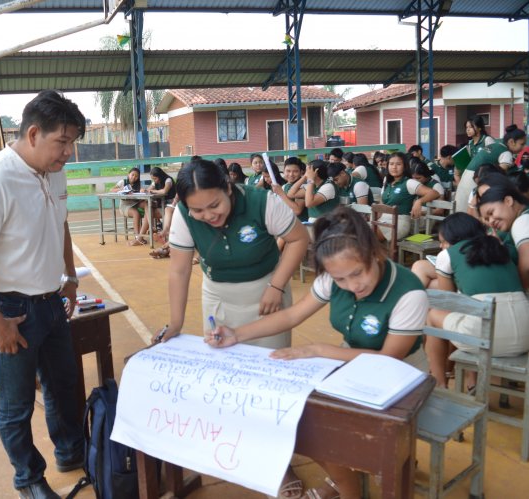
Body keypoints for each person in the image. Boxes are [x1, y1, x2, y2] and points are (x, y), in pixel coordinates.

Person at [206, 207, 429, 499]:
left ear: (374, 253)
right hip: (350, 368)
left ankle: (355, 475)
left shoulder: (408, 292)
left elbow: (388, 359)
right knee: (305, 421)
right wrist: (237, 334)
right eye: (341, 280)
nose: (352, 286)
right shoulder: (333, 277)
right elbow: (290, 316)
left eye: (357, 274)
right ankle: (346, 484)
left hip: (403, 378)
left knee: (334, 427)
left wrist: (319, 350)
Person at [0, 90, 86, 499]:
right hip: (10, 308)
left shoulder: (54, 170)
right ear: (32, 133)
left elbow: (60, 223)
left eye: (72, 143)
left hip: (50, 300)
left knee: (64, 387)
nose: (68, 153)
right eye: (62, 142)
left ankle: (72, 452)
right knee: (16, 403)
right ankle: (28, 478)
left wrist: (69, 277)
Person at [158, 158, 309, 498]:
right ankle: (238, 447)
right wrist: (177, 324)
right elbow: (179, 271)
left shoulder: (260, 201)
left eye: (214, 205)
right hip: (219, 298)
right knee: (229, 379)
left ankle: (279, 463)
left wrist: (278, 286)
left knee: (271, 381)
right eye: (198, 210)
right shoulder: (184, 216)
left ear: (228, 188)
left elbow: (300, 239)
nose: (209, 216)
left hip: (266, 297)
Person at [424, 213, 529, 388]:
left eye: (443, 241)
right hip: (525, 335)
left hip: (488, 339)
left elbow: (449, 302)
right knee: (468, 316)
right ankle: (471, 381)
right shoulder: (498, 247)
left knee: (435, 316)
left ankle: (439, 383)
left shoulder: (447, 255)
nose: (441, 246)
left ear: (454, 238)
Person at [477, 174, 529, 289]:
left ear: (508, 201)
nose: (491, 221)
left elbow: (526, 266)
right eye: (486, 219)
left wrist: (523, 297)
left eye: (491, 213)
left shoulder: (521, 221)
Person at [378, 152, 439, 241]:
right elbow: (381, 205)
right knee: (358, 230)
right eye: (391, 164)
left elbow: (434, 193)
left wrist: (419, 202)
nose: (394, 167)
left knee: (368, 235)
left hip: (399, 222)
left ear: (405, 166)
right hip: (383, 220)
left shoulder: (409, 182)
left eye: (398, 164)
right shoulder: (388, 182)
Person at [454, 117, 497, 211]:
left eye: (471, 127)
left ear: (480, 128)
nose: (468, 129)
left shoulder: (487, 140)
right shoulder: (470, 144)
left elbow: (494, 158)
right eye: (466, 127)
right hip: (472, 179)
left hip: (485, 178)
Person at [111, 167, 148, 245]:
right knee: (136, 213)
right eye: (132, 175)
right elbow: (112, 190)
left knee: (147, 204)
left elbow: (142, 194)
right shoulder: (123, 182)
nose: (134, 177)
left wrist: (142, 190)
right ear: (128, 174)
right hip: (125, 206)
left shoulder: (139, 184)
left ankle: (151, 227)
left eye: (136, 176)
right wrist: (122, 189)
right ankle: (138, 237)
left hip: (135, 203)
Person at [139, 166, 175, 239]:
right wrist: (144, 190)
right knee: (148, 207)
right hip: (161, 204)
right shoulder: (155, 182)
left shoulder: (168, 180)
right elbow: (149, 190)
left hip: (169, 205)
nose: (154, 180)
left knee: (148, 213)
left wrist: (152, 191)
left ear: (160, 176)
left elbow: (164, 191)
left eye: (155, 178)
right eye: (153, 179)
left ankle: (140, 238)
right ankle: (150, 228)